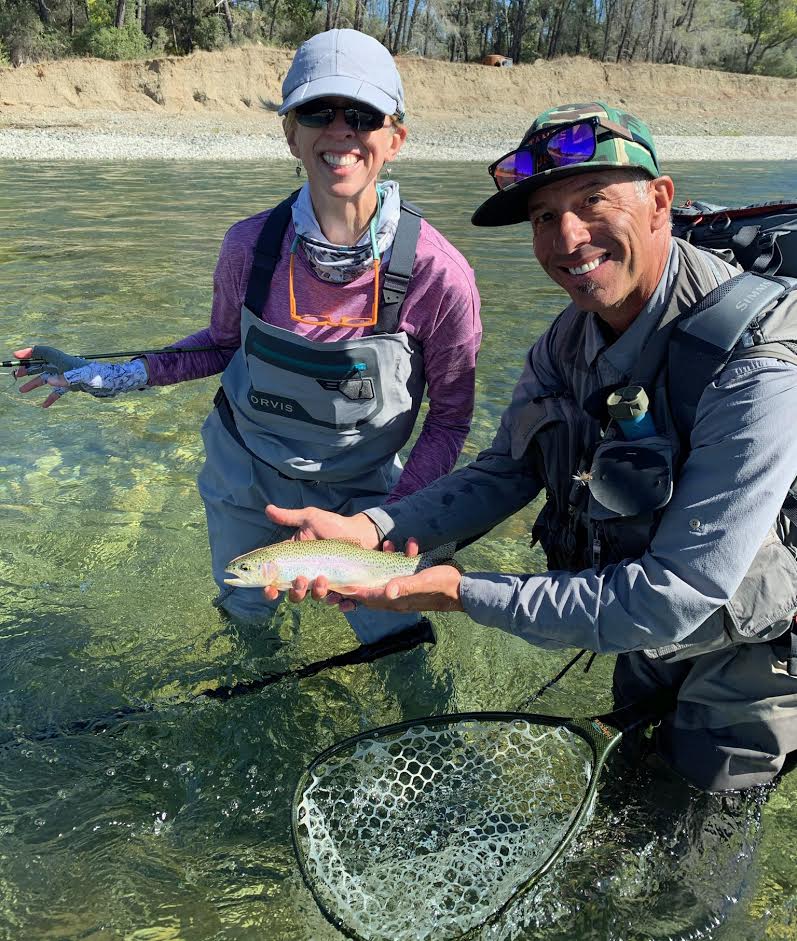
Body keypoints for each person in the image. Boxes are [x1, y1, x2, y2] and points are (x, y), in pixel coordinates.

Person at [264, 102, 797, 792]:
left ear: (659, 200)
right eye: (544, 217)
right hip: (634, 615)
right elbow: (504, 471)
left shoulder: (757, 360)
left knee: (690, 842)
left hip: (756, 645)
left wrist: (461, 593)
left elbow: (680, 591)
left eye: (591, 200)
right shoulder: (566, 339)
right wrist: (369, 528)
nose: (567, 237)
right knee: (628, 794)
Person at [13, 28, 482, 645]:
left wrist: (388, 519)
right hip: (246, 481)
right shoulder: (249, 247)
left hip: (364, 497)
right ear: (291, 131)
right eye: (317, 110)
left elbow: (449, 421)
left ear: (394, 138)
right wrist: (105, 376)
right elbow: (218, 345)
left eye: (363, 114)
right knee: (244, 613)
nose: (339, 129)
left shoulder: (438, 275)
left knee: (393, 636)